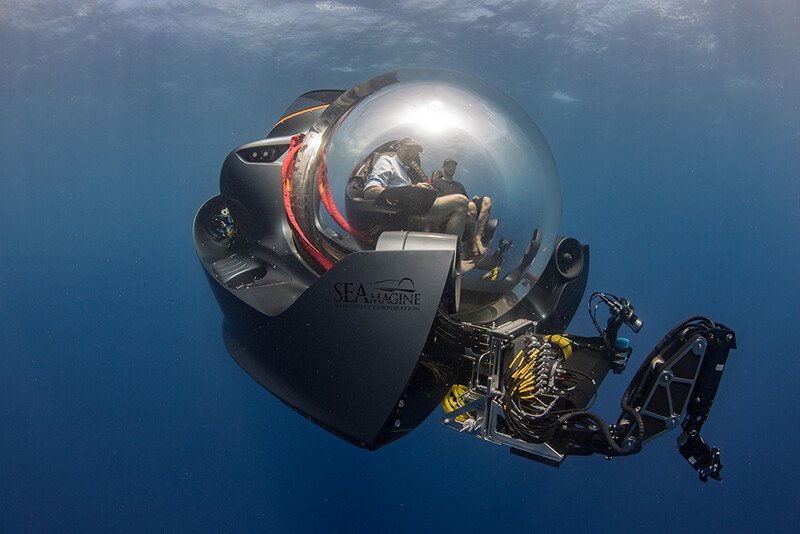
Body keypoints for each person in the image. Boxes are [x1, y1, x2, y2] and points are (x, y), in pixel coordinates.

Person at [364, 139, 470, 238]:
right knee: (460, 201)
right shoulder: (387, 161)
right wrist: (407, 192)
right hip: (403, 211)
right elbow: (370, 190)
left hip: (414, 207)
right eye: (408, 150)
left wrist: (416, 188)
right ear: (398, 147)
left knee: (469, 206)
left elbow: (401, 187)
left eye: (414, 153)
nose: (411, 155)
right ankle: (453, 250)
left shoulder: (405, 171)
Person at [431, 158, 492, 257]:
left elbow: (467, 201)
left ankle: (478, 238)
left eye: (453, 166)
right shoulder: (437, 183)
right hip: (449, 215)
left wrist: (473, 200)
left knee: (486, 200)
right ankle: (470, 245)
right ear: (443, 167)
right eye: (448, 165)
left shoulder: (459, 185)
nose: (451, 167)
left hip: (466, 209)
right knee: (471, 206)